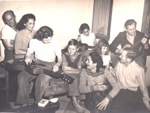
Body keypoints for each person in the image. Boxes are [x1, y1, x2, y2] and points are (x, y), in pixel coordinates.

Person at [10, 26, 62, 109]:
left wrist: (57, 64)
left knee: (41, 80)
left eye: (50, 37)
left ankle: (38, 104)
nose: (49, 40)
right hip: (36, 64)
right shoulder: (34, 42)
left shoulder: (55, 42)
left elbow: (59, 58)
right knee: (22, 76)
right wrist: (28, 57)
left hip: (50, 65)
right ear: (40, 38)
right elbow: (28, 53)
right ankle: (22, 102)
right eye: (46, 39)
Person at [107, 47, 150, 113]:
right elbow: (113, 74)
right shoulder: (119, 65)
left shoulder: (138, 69)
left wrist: (146, 101)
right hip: (120, 92)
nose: (120, 56)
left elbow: (143, 87)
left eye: (122, 55)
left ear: (129, 59)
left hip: (133, 94)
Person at [62, 39, 88, 113]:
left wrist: (69, 68)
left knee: (82, 77)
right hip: (67, 74)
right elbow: (64, 69)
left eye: (73, 49)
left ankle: (78, 100)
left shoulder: (79, 55)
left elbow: (79, 70)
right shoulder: (65, 55)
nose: (70, 51)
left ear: (77, 49)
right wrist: (74, 70)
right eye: (69, 48)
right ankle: (75, 102)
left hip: (75, 73)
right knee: (74, 79)